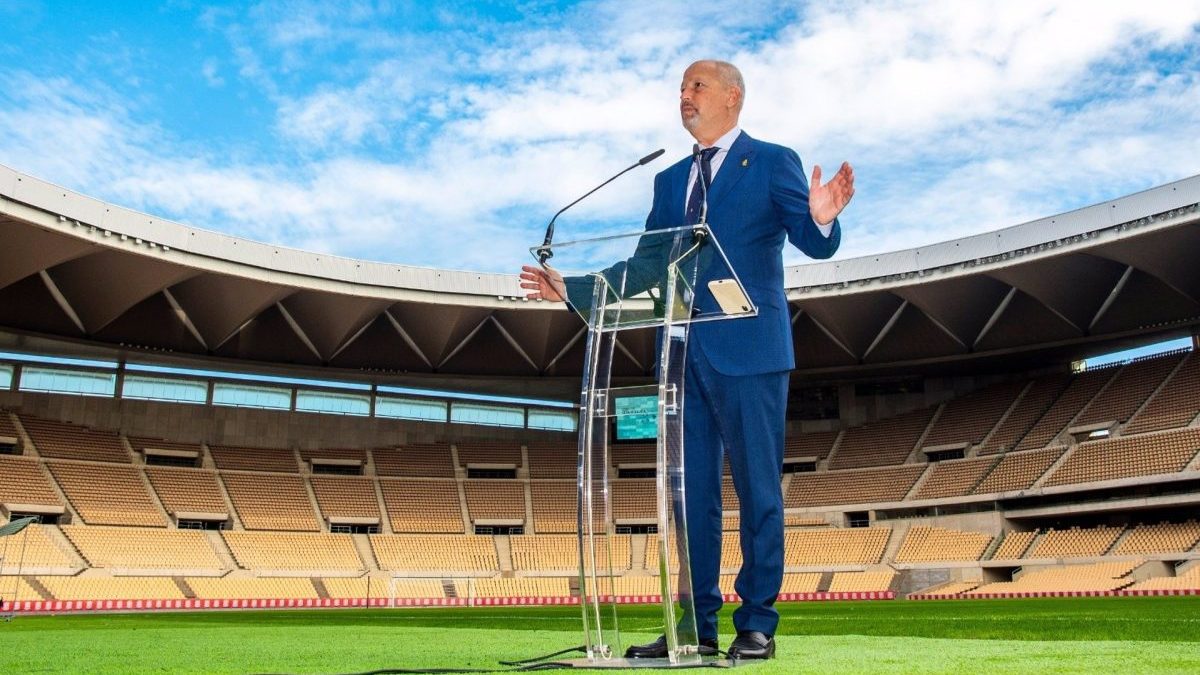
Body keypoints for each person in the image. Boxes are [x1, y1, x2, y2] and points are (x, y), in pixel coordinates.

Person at [520, 59, 854, 660]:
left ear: (733, 96)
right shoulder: (669, 182)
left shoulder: (772, 160)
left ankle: (757, 624)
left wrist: (823, 219)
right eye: (680, 88)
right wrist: (572, 288)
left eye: (696, 86)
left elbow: (812, 236)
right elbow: (646, 267)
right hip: (681, 360)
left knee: (757, 490)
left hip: (750, 353)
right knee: (688, 496)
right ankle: (695, 626)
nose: (684, 96)